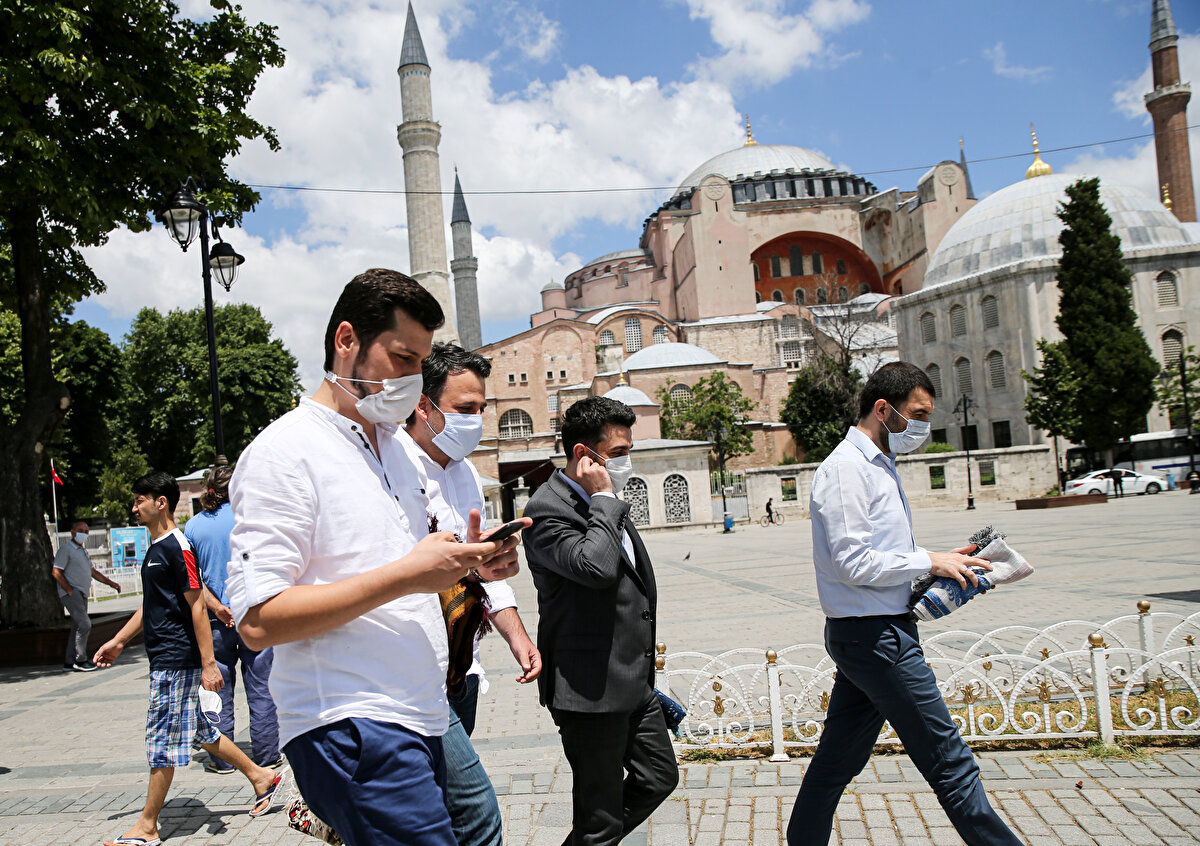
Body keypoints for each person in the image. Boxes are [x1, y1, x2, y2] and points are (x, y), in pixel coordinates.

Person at [224, 269, 523, 846]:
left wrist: (473, 565)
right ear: (347, 341)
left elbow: (412, 561)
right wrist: (405, 577)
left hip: (421, 709)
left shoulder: (397, 451)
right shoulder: (285, 452)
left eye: (421, 363)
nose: (413, 378)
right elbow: (258, 621)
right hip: (351, 719)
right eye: (402, 358)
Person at [787, 362, 1019, 846]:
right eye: (917, 414)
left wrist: (943, 563)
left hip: (871, 633)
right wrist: (928, 561)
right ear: (882, 409)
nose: (923, 426)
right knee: (951, 764)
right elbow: (853, 562)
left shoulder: (878, 463)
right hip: (876, 638)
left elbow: (883, 555)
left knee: (836, 762)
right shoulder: (847, 469)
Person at [400, 341, 542, 846]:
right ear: (423, 406)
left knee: (432, 807)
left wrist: (517, 636)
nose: (476, 420)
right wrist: (467, 565)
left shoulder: (464, 473)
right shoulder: (393, 468)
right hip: (415, 674)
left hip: (463, 666)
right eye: (464, 408)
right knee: (476, 812)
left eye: (481, 408)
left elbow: (481, 570)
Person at [94, 471, 282, 846]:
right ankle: (261, 777)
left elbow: (196, 605)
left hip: (175, 660)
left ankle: (147, 826)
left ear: (160, 502)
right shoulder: (158, 547)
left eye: (139, 500)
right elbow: (153, 603)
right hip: (165, 657)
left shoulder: (177, 546)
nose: (134, 507)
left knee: (160, 741)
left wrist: (209, 663)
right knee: (201, 731)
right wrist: (118, 640)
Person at [523, 395, 679, 846]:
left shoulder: (600, 501)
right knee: (600, 817)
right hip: (589, 691)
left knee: (659, 777)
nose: (626, 462)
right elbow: (596, 569)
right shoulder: (546, 509)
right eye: (618, 452)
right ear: (583, 455)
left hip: (632, 681)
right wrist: (605, 499)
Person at [184, 465, 280, 774]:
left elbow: (192, 579)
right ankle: (266, 754)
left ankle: (222, 758)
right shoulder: (251, 520)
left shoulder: (194, 526)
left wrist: (216, 607)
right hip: (253, 613)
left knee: (218, 689)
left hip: (214, 620)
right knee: (261, 685)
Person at [52, 519, 121, 671]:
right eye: (80, 531)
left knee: (77, 626)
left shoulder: (83, 551)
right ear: (72, 532)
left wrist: (112, 583)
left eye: (86, 532)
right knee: (85, 624)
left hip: (81, 592)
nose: (84, 534)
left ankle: (69, 661)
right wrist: (69, 590)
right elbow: (56, 572)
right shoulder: (66, 550)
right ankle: (80, 660)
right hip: (73, 592)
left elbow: (93, 572)